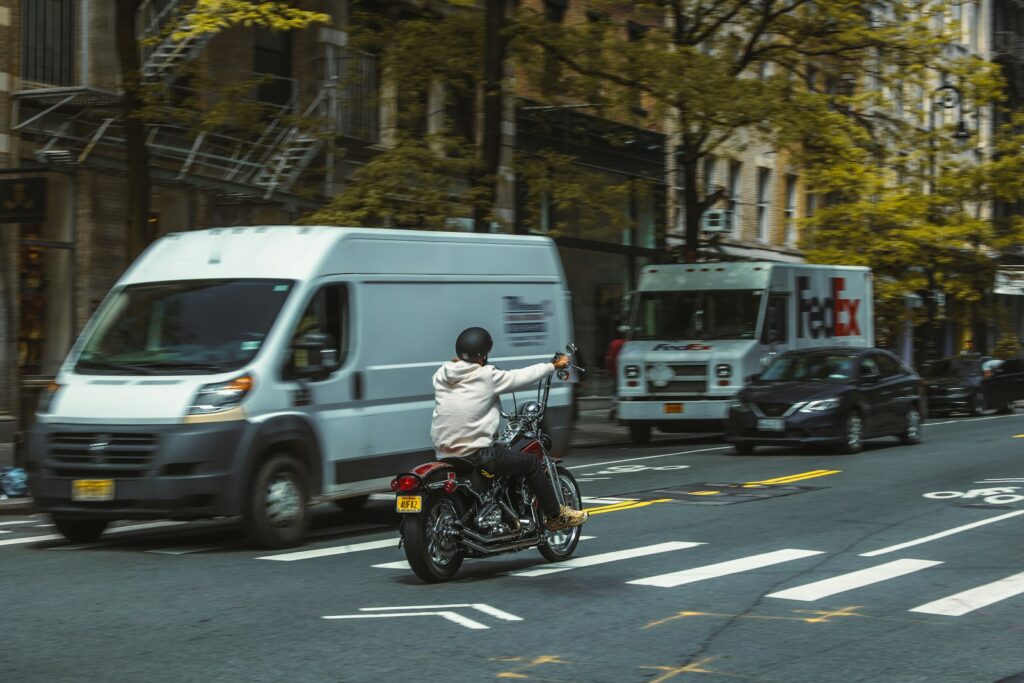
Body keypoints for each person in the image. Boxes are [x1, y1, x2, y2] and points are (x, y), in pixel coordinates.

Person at [430, 326, 589, 532]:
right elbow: (520, 376)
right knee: (531, 464)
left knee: (499, 458)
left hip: (444, 453)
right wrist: (552, 366)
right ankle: (555, 516)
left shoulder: (442, 375)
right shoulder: (486, 375)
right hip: (478, 452)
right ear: (484, 353)